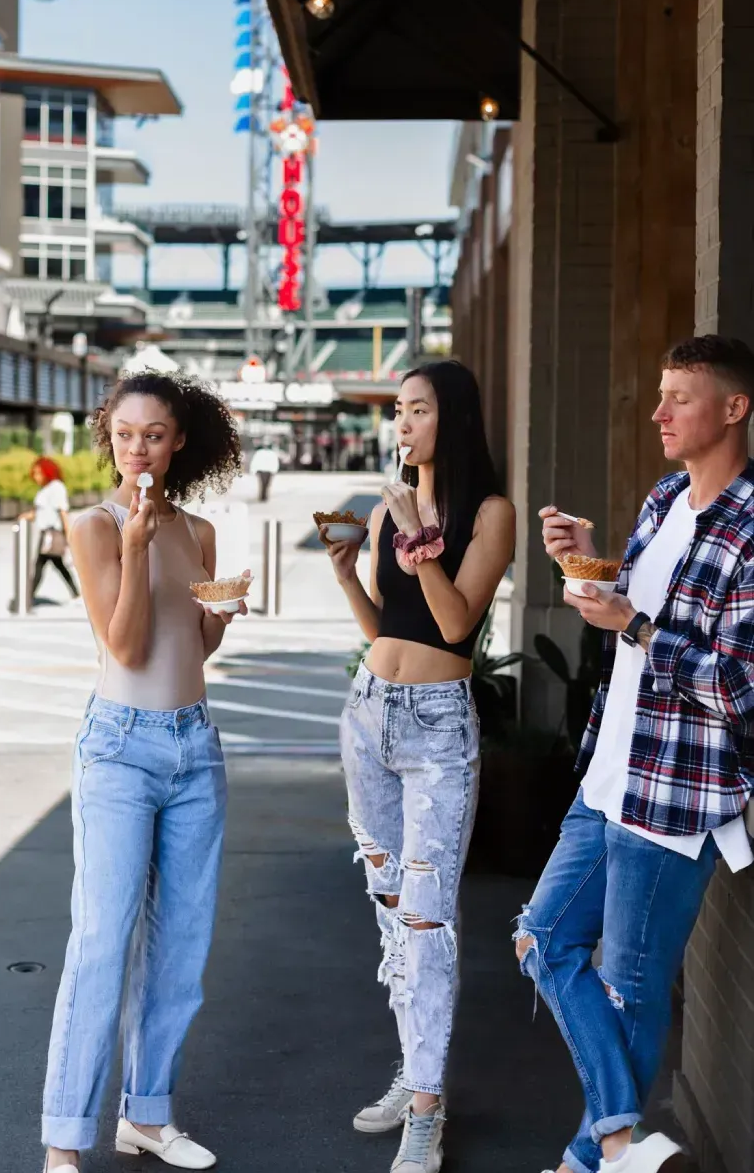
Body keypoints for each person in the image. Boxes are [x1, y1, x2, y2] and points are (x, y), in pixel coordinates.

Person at [519, 335, 754, 1173]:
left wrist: (638, 626)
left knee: (631, 987)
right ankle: (620, 1142)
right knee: (540, 940)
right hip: (608, 774)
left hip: (677, 791)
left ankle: (592, 1158)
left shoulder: (752, 529)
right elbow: (631, 610)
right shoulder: (662, 500)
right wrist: (586, 562)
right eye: (658, 395)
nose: (656, 413)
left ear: (732, 409)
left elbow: (736, 686)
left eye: (678, 398)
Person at [41, 371, 244, 1172]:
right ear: (109, 436)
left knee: (181, 945)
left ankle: (147, 1116)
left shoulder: (197, 530)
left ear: (179, 439)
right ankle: (64, 1140)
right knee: (100, 941)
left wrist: (217, 616)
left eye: (153, 434)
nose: (138, 449)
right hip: (119, 749)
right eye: (124, 434)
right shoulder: (92, 525)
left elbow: (190, 650)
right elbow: (123, 648)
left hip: (195, 747)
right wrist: (131, 542)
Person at [321, 360, 515, 1173]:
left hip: (437, 728)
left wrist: (414, 541)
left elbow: (453, 621)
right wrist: (347, 569)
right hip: (368, 715)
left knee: (429, 920)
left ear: (453, 419)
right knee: (390, 905)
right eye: (398, 410)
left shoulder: (490, 513)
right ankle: (415, 1070)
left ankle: (427, 1112)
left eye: (418, 409)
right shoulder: (379, 512)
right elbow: (383, 624)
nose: (402, 424)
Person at [20, 457, 79, 603]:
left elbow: (63, 512)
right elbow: (38, 512)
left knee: (41, 564)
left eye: (39, 473)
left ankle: (28, 596)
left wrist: (69, 535)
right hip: (45, 533)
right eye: (35, 473)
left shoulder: (57, 487)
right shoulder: (45, 489)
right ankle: (75, 592)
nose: (36, 477)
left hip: (52, 534)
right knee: (56, 564)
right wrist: (25, 517)